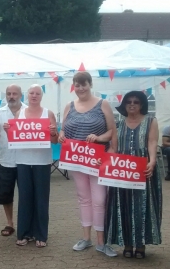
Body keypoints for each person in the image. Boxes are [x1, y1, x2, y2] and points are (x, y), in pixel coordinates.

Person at [58, 72, 117, 257]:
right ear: (73, 87)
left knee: (99, 200)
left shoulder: (103, 104)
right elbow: (64, 129)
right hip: (76, 161)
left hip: (98, 160)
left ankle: (101, 241)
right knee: (84, 199)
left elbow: (112, 132)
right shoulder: (69, 106)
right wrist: (61, 136)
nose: (81, 88)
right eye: (77, 85)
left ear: (90, 84)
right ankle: (86, 238)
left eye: (84, 84)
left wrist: (99, 138)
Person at [105, 91, 162, 259]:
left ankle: (141, 244)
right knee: (124, 206)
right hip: (122, 172)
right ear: (124, 104)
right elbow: (113, 147)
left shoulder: (151, 121)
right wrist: (105, 161)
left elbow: (152, 142)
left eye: (136, 102)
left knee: (142, 207)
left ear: (142, 104)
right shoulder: (118, 124)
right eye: (129, 101)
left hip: (143, 170)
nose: (132, 104)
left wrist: (152, 161)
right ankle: (127, 244)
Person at [5, 84, 58, 248]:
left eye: (37, 93)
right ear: (27, 95)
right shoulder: (18, 113)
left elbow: (54, 141)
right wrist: (8, 130)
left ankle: (41, 234)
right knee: (25, 198)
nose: (34, 96)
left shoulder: (48, 113)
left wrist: (54, 132)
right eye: (31, 93)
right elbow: (14, 137)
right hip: (23, 161)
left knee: (41, 199)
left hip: (42, 161)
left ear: (41, 96)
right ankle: (24, 233)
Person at [0, 84, 26, 236]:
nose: (11, 96)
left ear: (20, 95)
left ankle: (25, 224)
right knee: (5, 194)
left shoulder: (29, 112)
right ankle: (9, 223)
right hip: (6, 160)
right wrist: (7, 144)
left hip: (26, 160)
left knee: (26, 194)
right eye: (8, 93)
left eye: (14, 93)